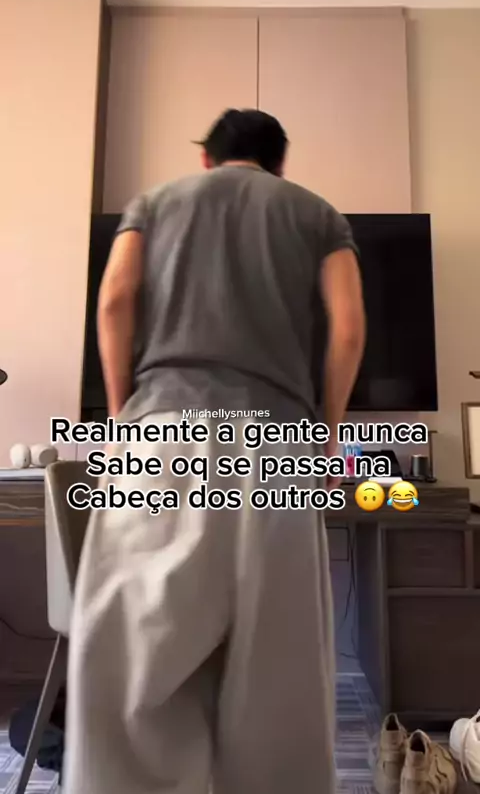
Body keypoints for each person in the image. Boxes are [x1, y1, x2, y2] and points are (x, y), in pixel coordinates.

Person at [63, 108, 365, 794]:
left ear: (207, 157)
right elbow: (348, 329)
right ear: (278, 163)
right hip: (276, 445)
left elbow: (114, 300)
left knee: (136, 669)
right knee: (277, 676)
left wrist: (122, 412)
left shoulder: (154, 203)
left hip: (161, 435)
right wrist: (326, 433)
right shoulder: (317, 215)